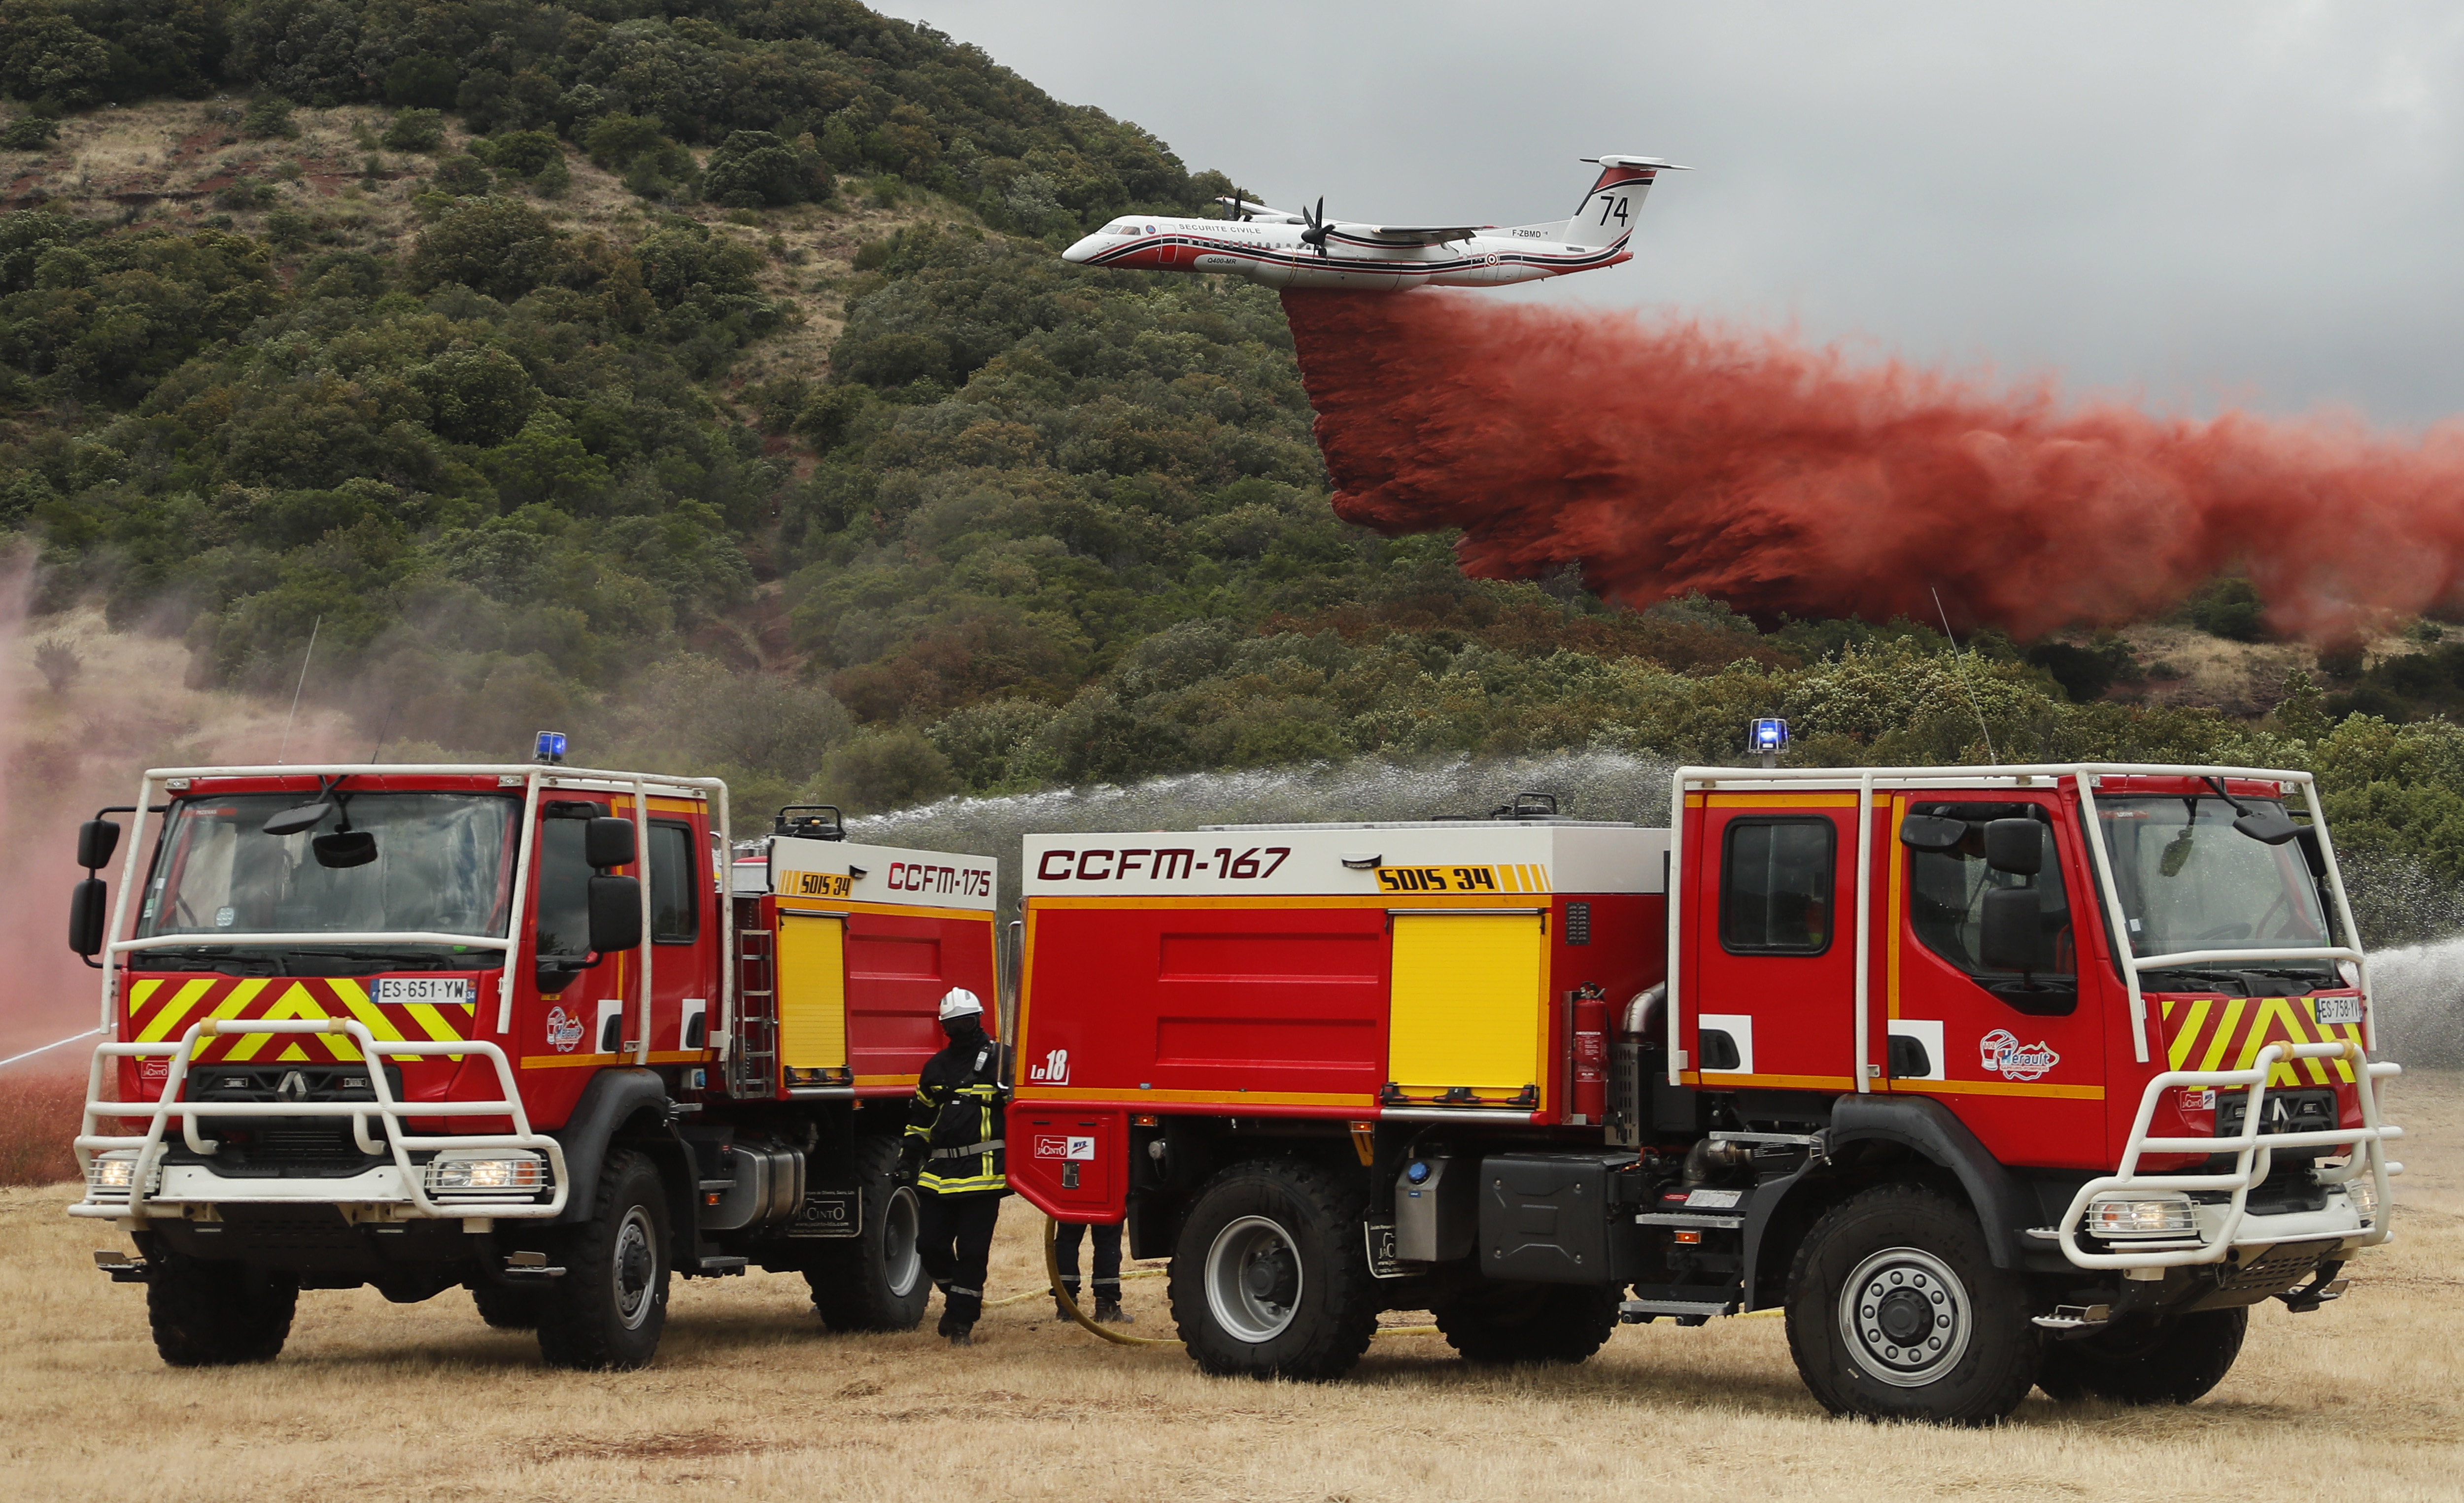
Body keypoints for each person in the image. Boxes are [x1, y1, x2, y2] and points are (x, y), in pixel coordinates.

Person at [901, 987, 1008, 1347]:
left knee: (973, 1252)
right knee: (929, 1245)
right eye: (953, 1024)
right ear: (944, 1027)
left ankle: (962, 1322)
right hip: (940, 1174)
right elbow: (919, 1120)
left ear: (978, 1020)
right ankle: (955, 1297)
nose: (959, 1028)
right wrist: (908, 1159)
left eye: (965, 1022)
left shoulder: (1001, 1061)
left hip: (984, 1172)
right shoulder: (936, 1067)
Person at [1053, 1220, 1133, 1324]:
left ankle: (1065, 1305)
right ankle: (1106, 1307)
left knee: (1067, 1237)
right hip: (1106, 1203)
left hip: (1073, 1203)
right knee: (1107, 1238)